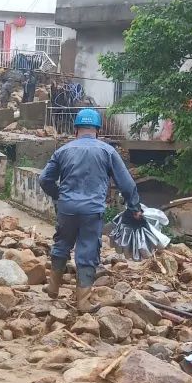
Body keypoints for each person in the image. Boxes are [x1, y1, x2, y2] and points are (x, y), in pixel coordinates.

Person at [38, 108, 141, 313]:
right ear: (98, 131)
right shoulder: (107, 151)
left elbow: (44, 179)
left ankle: (53, 287)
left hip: (67, 208)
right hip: (92, 211)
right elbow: (126, 183)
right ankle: (83, 302)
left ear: (76, 130)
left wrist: (59, 195)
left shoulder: (63, 151)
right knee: (87, 250)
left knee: (62, 243)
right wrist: (134, 206)